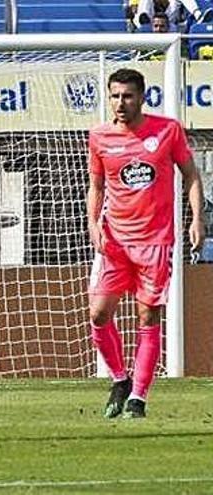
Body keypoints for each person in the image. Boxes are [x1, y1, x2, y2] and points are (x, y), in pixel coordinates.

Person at [88, 68, 205, 419]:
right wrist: (92, 223)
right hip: (114, 242)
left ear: (142, 96)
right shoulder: (99, 137)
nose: (120, 103)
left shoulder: (167, 130)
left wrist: (197, 219)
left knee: (147, 315)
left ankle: (138, 398)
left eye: (127, 96)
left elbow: (191, 176)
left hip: (155, 242)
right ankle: (120, 380)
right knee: (98, 313)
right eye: (114, 96)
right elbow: (96, 186)